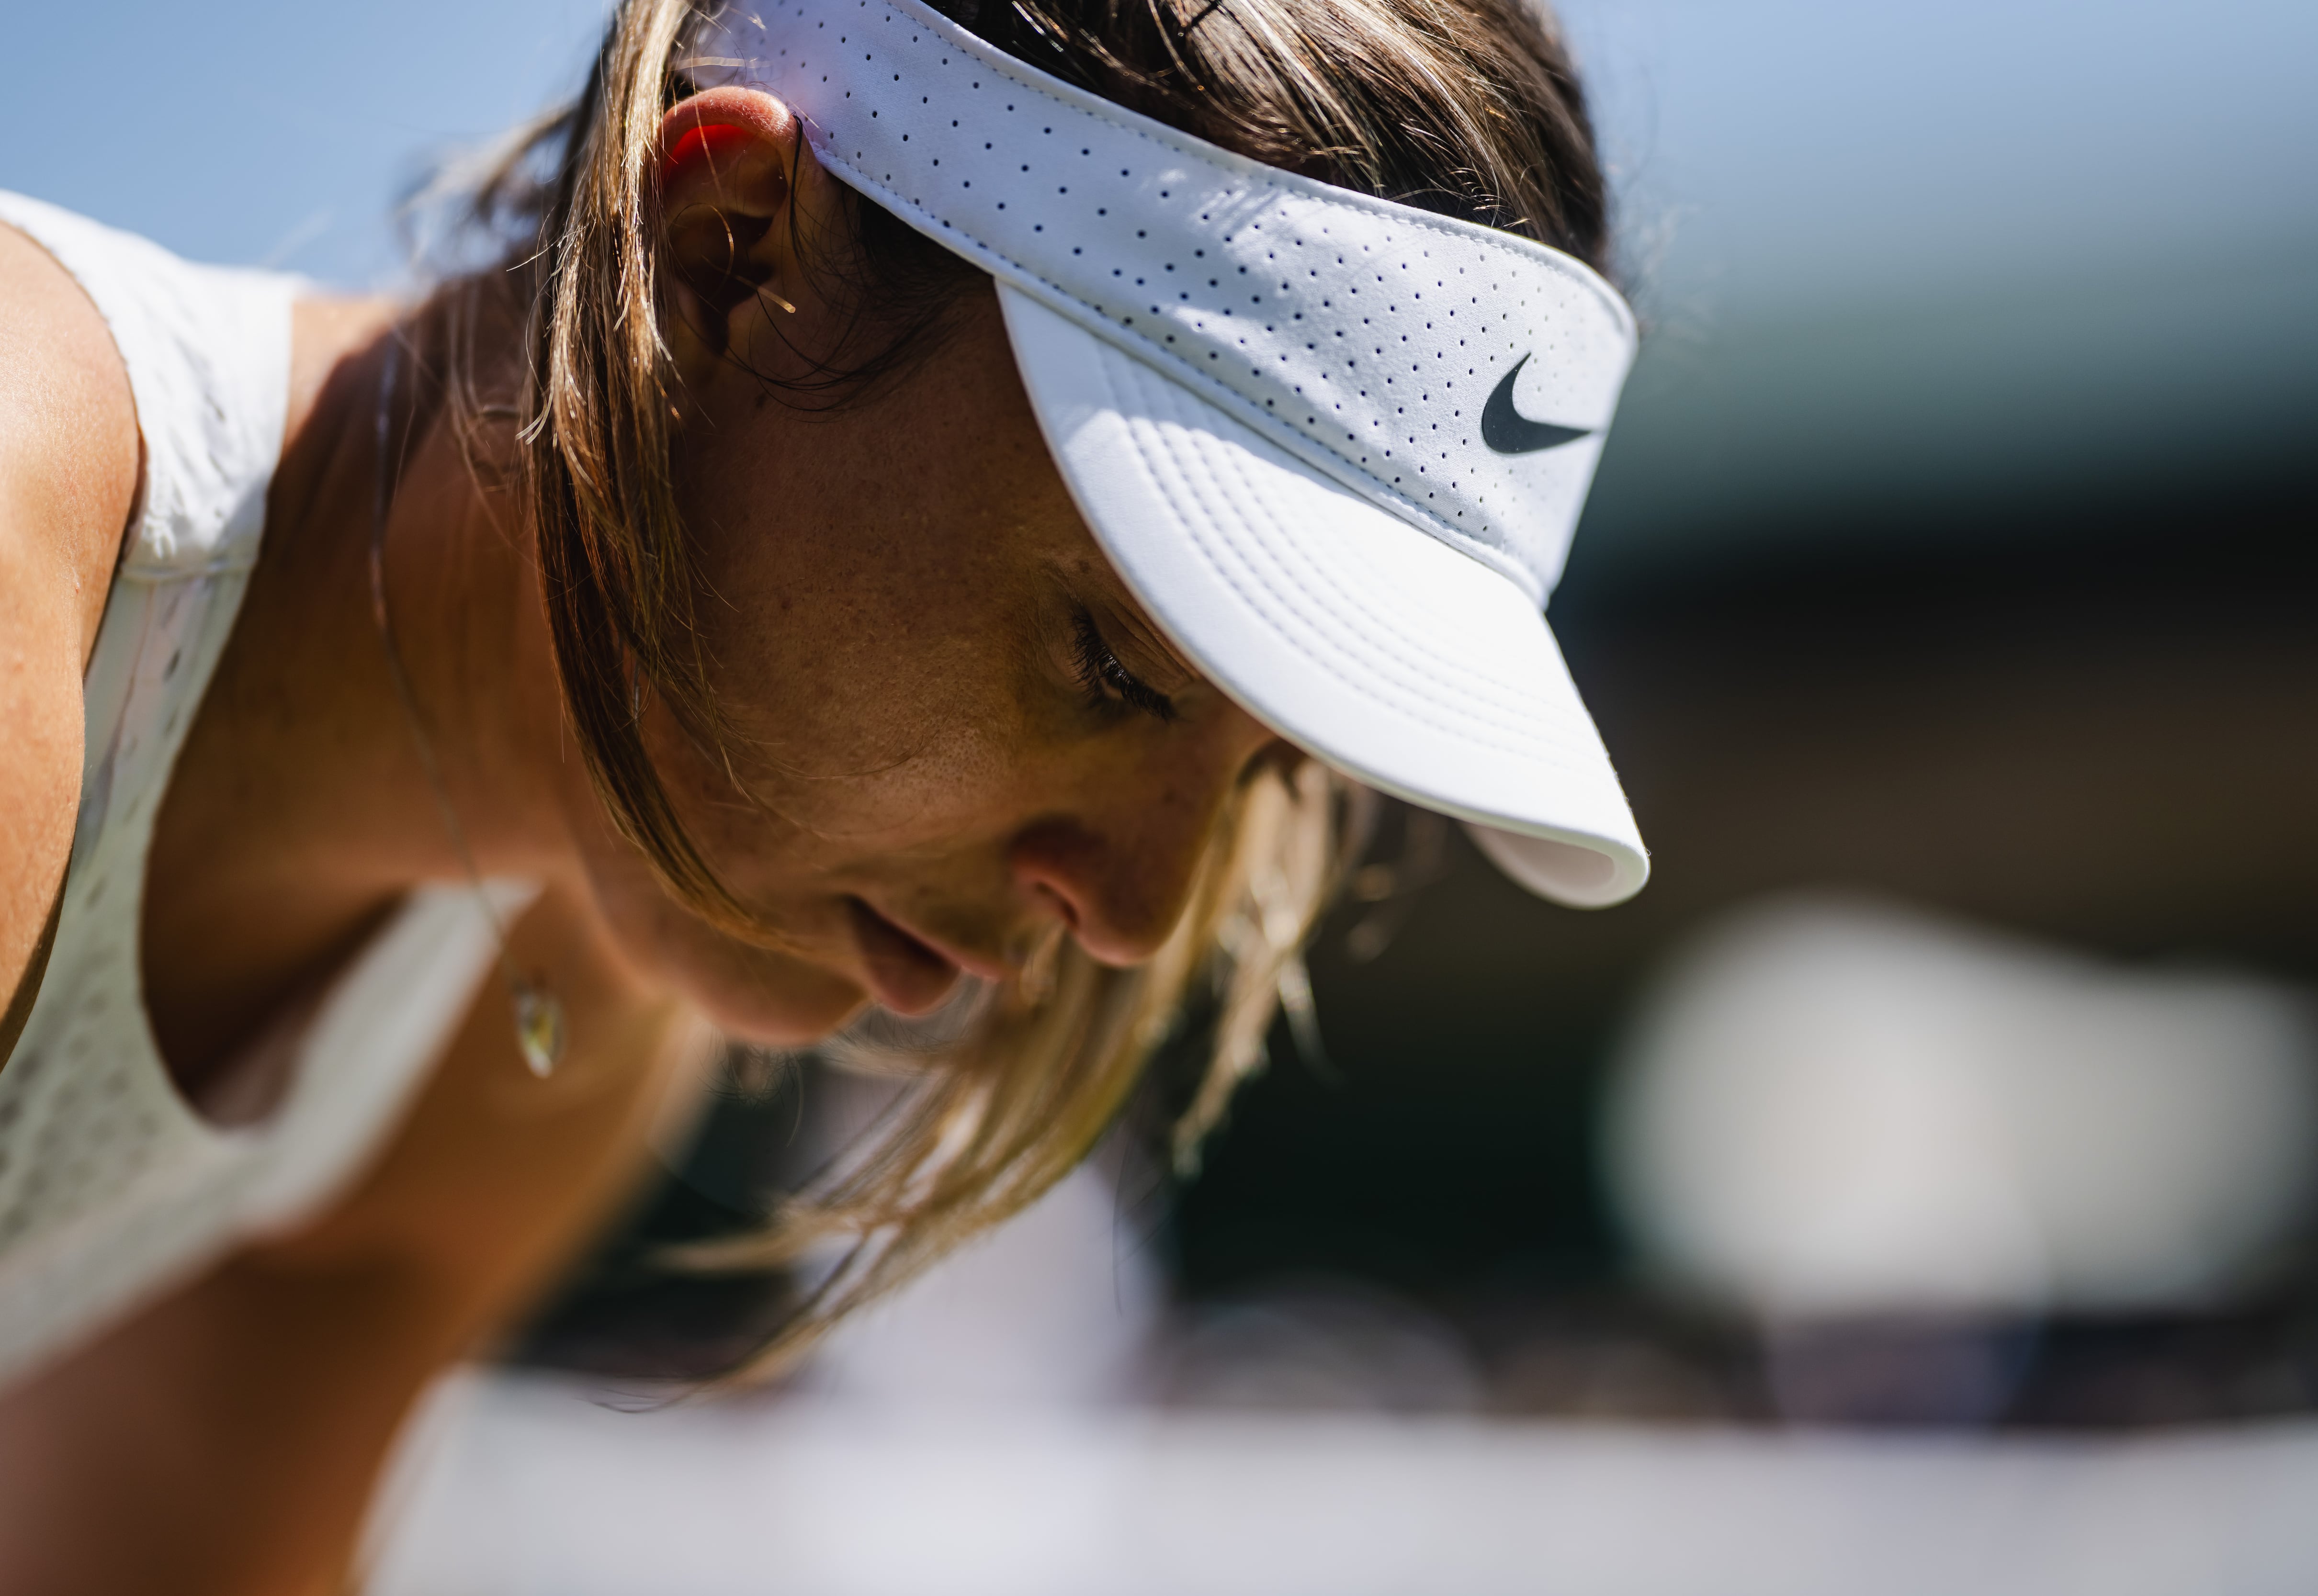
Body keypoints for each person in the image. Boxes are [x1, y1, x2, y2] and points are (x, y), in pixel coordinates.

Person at [0, 0, 1642, 1585]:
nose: (1133, 911)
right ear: (726, 248)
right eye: (1116, 666)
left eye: (1259, 769)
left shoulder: (529, 1014)